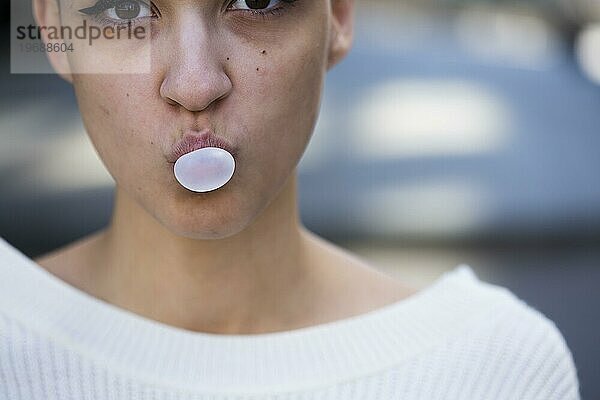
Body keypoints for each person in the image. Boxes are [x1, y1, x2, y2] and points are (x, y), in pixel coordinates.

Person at [0, 0, 580, 398]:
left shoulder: (497, 369)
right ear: (53, 27)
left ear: (340, 16)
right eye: (125, 9)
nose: (196, 85)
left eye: (258, 1)